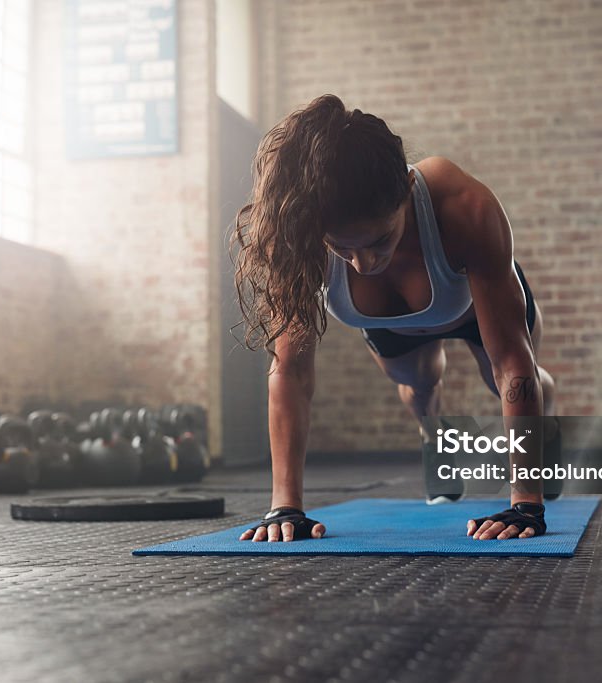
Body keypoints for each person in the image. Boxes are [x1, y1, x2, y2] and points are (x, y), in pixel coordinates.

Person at [232, 95, 555, 543]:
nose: (364, 264)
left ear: (406, 190)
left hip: (472, 302)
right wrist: (285, 506)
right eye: (342, 248)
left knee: (514, 381)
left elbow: (510, 366)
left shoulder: (464, 207)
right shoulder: (300, 239)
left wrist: (526, 503)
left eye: (380, 239)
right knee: (420, 387)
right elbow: (290, 371)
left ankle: (543, 431)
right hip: (390, 323)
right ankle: (433, 437)